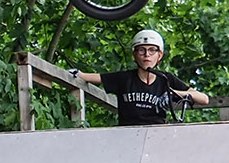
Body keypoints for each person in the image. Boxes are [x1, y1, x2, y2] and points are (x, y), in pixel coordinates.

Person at [68, 29, 208, 125]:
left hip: (157, 132)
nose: (147, 54)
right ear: (135, 54)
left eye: (152, 50)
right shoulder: (125, 78)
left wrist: (173, 93)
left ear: (159, 55)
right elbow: (96, 77)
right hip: (127, 133)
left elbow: (204, 99)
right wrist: (77, 74)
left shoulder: (165, 79)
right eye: (142, 50)